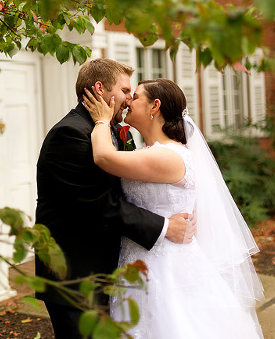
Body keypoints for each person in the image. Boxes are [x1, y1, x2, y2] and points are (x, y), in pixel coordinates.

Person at [83, 78, 264, 339]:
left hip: (164, 267)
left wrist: (101, 120)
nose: (128, 102)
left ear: (155, 106)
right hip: (141, 258)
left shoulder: (168, 155)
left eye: (135, 96)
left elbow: (103, 157)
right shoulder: (152, 151)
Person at [35, 59, 193, 339]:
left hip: (109, 271)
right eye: (124, 90)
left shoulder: (108, 131)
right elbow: (100, 204)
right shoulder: (71, 134)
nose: (129, 98)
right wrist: (166, 227)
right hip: (74, 274)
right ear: (100, 89)